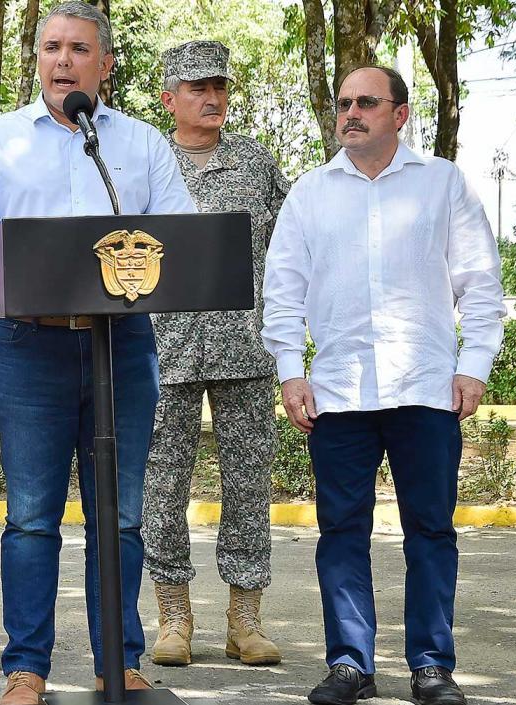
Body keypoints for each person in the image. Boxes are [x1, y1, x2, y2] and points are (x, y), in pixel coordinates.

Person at [0, 3, 196, 703]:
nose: (61, 60)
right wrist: (14, 278)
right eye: (51, 46)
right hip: (29, 342)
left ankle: (120, 659)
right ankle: (27, 665)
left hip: (123, 344)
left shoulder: (140, 145)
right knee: (30, 516)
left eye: (78, 48)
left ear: (104, 65)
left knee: (121, 513)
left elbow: (178, 229)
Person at [262, 66, 504, 705]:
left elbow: (479, 284)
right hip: (339, 395)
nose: (351, 113)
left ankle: (431, 666)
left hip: (425, 388)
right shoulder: (310, 194)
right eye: (343, 102)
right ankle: (350, 664)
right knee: (341, 532)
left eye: (366, 102)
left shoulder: (442, 185)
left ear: (400, 115)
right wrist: (292, 372)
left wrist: (474, 365)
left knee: (431, 531)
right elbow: (282, 292)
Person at [142, 40, 288, 668]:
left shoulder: (256, 164)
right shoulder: (145, 164)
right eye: (198, 88)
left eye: (220, 87)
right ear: (169, 98)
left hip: (245, 349)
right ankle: (174, 615)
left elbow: (288, 256)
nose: (212, 98)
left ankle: (245, 618)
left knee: (249, 482)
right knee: (161, 486)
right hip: (163, 350)